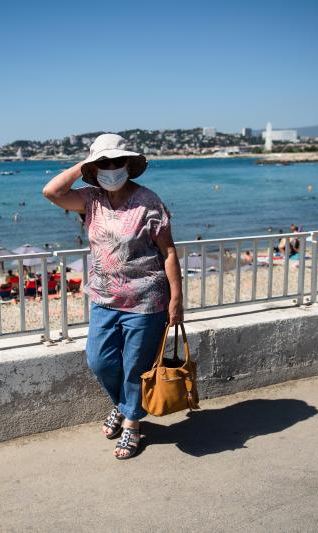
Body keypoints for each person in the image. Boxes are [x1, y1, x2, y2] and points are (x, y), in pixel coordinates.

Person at [42, 133, 182, 460]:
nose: (111, 168)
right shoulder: (91, 199)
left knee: (136, 367)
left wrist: (176, 299)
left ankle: (131, 423)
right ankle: (123, 404)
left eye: (116, 161)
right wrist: (86, 164)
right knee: (99, 360)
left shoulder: (149, 202)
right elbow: (51, 192)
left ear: (128, 164)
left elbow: (169, 251)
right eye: (103, 163)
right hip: (103, 299)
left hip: (147, 300)